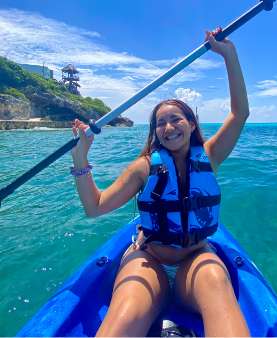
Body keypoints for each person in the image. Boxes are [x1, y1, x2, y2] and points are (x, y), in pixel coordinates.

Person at [71, 28, 250, 337]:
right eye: (160, 123)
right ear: (154, 132)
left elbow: (240, 112)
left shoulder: (210, 156)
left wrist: (228, 54)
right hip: (149, 259)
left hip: (195, 262)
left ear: (191, 124)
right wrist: (80, 160)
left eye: (176, 119)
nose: (168, 127)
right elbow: (95, 207)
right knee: (124, 315)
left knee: (217, 285)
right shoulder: (143, 167)